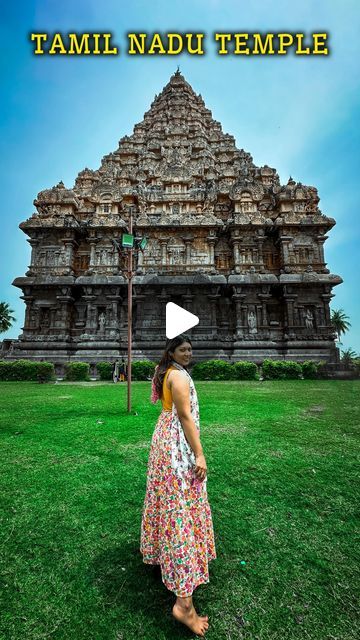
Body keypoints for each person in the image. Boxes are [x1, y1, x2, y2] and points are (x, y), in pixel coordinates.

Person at [140, 334, 216, 637]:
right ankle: (184, 605)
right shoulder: (179, 377)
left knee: (167, 500)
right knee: (180, 508)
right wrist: (199, 453)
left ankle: (161, 554)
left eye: (190, 349)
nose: (189, 353)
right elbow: (184, 416)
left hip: (164, 441)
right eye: (183, 349)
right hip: (177, 448)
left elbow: (170, 412)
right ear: (171, 351)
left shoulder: (165, 372)